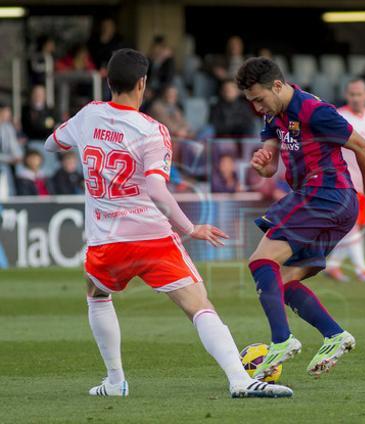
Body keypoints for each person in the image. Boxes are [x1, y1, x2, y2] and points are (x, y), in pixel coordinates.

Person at [44, 48, 292, 399]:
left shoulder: (88, 116)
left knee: (97, 295)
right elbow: (157, 189)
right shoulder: (151, 130)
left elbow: (51, 144)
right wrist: (190, 228)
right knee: (199, 305)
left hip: (105, 240)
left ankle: (115, 382)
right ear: (143, 83)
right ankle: (239, 379)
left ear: (107, 80)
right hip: (151, 237)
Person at [236, 57, 365, 380]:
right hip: (328, 202)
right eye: (252, 102)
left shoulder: (315, 111)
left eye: (259, 99)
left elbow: (362, 145)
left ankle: (281, 341)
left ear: (277, 85)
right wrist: (264, 164)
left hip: (326, 193)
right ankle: (334, 335)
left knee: (261, 261)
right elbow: (271, 162)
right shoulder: (274, 114)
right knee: (284, 281)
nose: (258, 107)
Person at [326, 78, 365, 284]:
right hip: (344, 178)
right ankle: (362, 269)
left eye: (359, 94)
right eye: (352, 94)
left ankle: (333, 265)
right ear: (346, 95)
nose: (355, 98)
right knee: (351, 224)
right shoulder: (338, 116)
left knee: (358, 225)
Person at [209, 79, 255, 145]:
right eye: (226, 89)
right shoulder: (216, 106)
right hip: (221, 138)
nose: (228, 91)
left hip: (240, 138)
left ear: (237, 91)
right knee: (208, 130)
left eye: (231, 89)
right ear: (222, 91)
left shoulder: (244, 106)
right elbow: (214, 124)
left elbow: (247, 124)